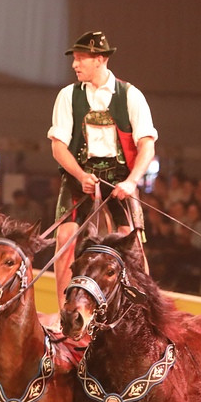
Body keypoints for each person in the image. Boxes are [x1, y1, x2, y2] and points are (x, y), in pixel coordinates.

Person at [47, 30, 157, 304]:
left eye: (81, 58)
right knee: (65, 238)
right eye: (75, 58)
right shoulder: (67, 96)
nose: (75, 64)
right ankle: (65, 311)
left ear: (100, 59)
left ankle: (138, 309)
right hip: (79, 175)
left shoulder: (131, 95)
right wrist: (80, 174)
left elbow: (147, 145)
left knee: (131, 247)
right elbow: (58, 146)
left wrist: (131, 182)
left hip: (119, 179)